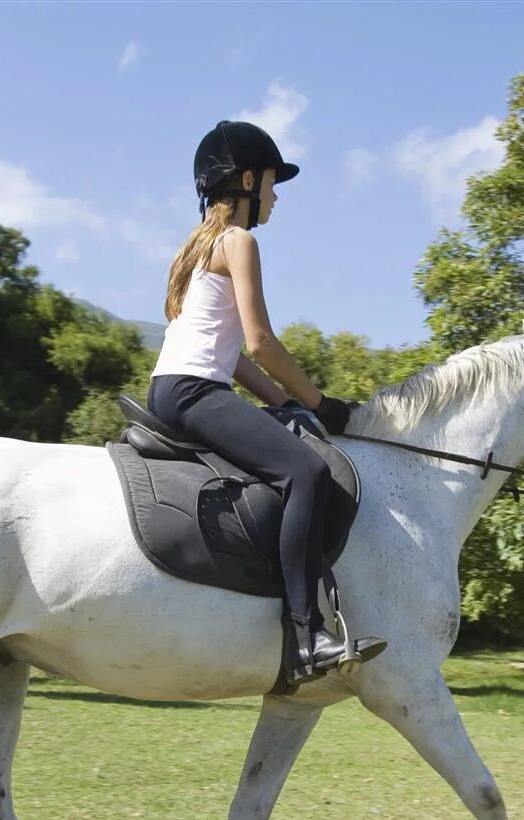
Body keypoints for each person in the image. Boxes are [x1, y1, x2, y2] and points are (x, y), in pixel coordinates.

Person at [147, 119, 385, 686]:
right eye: (273, 184)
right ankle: (307, 636)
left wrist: (285, 404)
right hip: (195, 390)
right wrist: (322, 403)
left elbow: (234, 358)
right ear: (247, 179)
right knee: (305, 472)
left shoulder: (194, 249)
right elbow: (260, 341)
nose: (276, 197)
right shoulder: (239, 242)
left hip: (176, 385)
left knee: (291, 446)